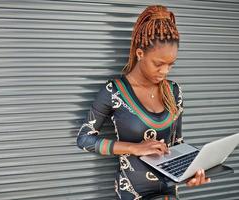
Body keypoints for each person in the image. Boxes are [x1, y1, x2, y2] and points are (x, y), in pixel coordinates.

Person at [76, 5, 210, 200]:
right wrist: (134, 148)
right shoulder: (114, 91)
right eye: (159, 64)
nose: (165, 71)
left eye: (170, 64)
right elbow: (84, 139)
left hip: (168, 193)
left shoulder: (174, 91)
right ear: (140, 54)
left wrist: (189, 173)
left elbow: (177, 143)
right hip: (133, 193)